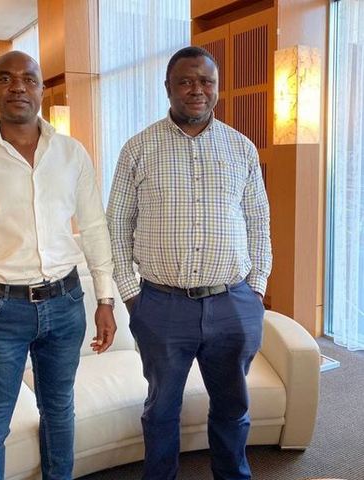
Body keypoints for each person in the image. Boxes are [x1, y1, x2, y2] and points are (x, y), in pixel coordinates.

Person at [0, 50, 116, 480]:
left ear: (41, 89)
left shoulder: (71, 153)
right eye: (6, 78)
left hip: (66, 302)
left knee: (59, 409)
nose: (17, 86)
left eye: (28, 79)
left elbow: (94, 227)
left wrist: (105, 299)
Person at [107, 46, 272, 480]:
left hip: (232, 303)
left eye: (206, 81)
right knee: (161, 409)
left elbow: (259, 222)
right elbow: (116, 226)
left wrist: (256, 289)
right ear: (168, 87)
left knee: (233, 407)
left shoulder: (241, 148)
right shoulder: (138, 149)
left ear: (217, 87)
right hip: (162, 306)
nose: (196, 90)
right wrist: (133, 296)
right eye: (185, 81)